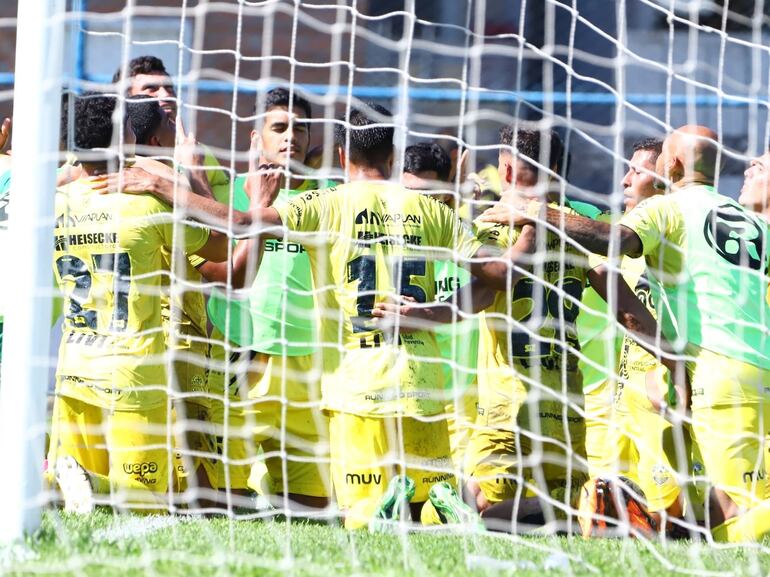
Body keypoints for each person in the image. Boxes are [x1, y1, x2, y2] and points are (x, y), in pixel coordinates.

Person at [233, 103, 536, 529]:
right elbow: (501, 276)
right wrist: (536, 222)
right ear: (393, 158)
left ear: (341, 156)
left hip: (359, 389)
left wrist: (167, 185)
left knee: (366, 523)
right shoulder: (432, 210)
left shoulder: (326, 203)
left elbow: (244, 221)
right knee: (430, 519)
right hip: (423, 387)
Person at [481, 125, 770, 543]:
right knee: (709, 503)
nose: (625, 179)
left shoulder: (668, 208)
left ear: (671, 165)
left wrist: (537, 213)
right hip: (754, 365)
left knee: (736, 509)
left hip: (714, 367)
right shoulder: (749, 220)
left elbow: (615, 239)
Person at [48, 92, 227, 513]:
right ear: (124, 141)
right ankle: (96, 484)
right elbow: (220, 249)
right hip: (133, 375)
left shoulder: (55, 205)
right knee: (145, 504)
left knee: (73, 508)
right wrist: (189, 178)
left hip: (73, 368)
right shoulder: (146, 204)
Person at [203, 87, 335, 511]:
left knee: (311, 509)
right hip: (241, 354)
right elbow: (212, 273)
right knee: (227, 502)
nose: (290, 137)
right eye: (279, 127)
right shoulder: (228, 198)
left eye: (300, 129)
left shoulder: (330, 197)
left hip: (307, 363)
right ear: (255, 137)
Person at [461, 127, 591, 531]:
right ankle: (584, 513)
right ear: (555, 169)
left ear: (505, 167)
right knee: (567, 509)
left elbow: (483, 293)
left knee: (473, 506)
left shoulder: (491, 225)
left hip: (507, 400)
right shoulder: (581, 226)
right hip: (566, 400)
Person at [402, 142, 479, 477]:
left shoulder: (469, 240)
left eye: (429, 194)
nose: (417, 206)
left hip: (465, 401)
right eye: (409, 193)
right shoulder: (381, 242)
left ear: (446, 195)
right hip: (406, 392)